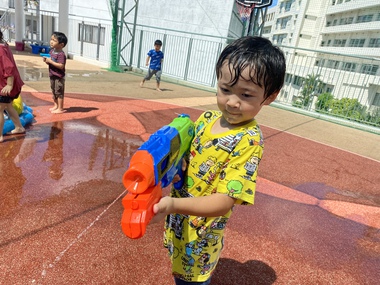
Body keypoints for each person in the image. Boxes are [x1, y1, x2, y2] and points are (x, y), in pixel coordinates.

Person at [151, 36, 286, 285]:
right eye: (225, 90)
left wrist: (170, 205)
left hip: (201, 238)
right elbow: (189, 156)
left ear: (270, 96)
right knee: (178, 270)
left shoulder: (249, 141)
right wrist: (178, 166)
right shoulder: (207, 118)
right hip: (180, 224)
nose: (232, 102)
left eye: (246, 95)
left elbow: (225, 201)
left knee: (191, 280)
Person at [0, 30, 25, 143]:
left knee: (0, 109)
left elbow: (9, 67)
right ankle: (19, 127)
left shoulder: (0, 50)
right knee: (8, 106)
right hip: (6, 83)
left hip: (6, 85)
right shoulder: (3, 46)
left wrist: (9, 85)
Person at [43, 31, 67, 114]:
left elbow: (61, 66)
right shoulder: (51, 51)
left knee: (59, 91)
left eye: (54, 40)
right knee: (53, 91)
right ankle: (55, 105)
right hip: (52, 74)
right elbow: (49, 61)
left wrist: (50, 62)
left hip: (59, 76)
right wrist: (46, 61)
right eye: (51, 39)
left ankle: (60, 108)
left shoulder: (61, 54)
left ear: (61, 45)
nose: (51, 42)